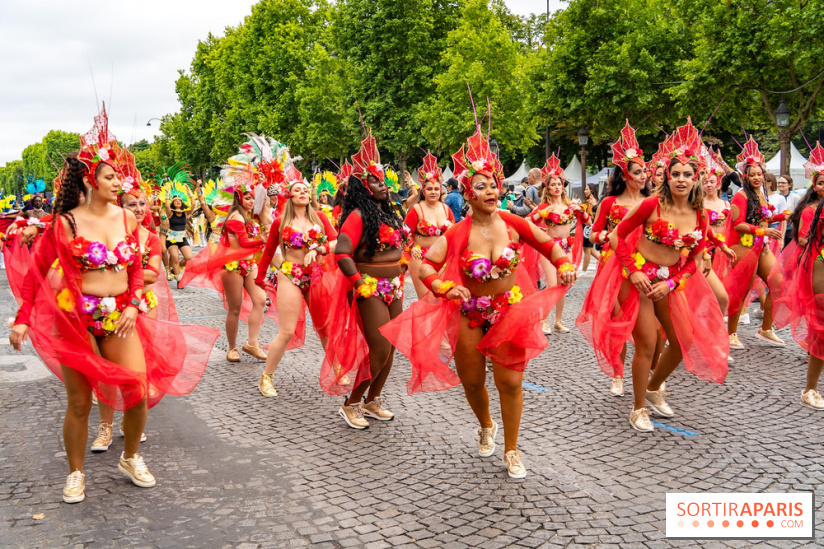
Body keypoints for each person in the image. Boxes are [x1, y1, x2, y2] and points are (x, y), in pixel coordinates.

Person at [8, 106, 216, 503]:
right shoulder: (64, 222)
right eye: (110, 175)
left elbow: (137, 269)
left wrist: (135, 306)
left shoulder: (127, 218)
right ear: (90, 180)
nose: (118, 182)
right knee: (80, 401)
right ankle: (75, 473)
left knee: (137, 389)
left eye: (118, 175)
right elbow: (36, 274)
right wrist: (21, 320)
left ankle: (131, 456)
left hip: (120, 314)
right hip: (74, 320)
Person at [381, 126, 576, 478]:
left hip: (509, 311)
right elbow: (426, 266)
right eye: (480, 185)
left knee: (511, 383)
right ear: (468, 194)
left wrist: (563, 264)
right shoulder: (456, 232)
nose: (490, 190)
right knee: (472, 381)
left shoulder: (514, 223)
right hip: (468, 314)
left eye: (493, 183)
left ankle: (512, 449)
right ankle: (486, 424)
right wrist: (443, 288)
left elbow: (550, 245)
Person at [586, 122, 729, 432]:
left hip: (668, 282)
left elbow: (693, 258)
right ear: (667, 176)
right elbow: (617, 237)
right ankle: (638, 408)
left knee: (682, 341)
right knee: (647, 343)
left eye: (687, 175)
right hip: (634, 279)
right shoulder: (651, 204)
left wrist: (672, 282)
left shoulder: (700, 214)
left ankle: (653, 388)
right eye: (675, 173)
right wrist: (634, 271)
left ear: (697, 179)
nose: (680, 179)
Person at [321, 129, 409, 429]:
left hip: (393, 288)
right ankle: (351, 403)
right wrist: (360, 283)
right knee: (380, 347)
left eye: (383, 178)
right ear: (362, 186)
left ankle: (374, 399)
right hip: (368, 289)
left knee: (393, 345)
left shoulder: (388, 213)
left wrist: (403, 266)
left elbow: (400, 247)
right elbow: (343, 254)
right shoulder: (358, 215)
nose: (382, 183)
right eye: (375, 180)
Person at [178, 135, 276, 363]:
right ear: (239, 199)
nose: (252, 201)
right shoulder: (235, 218)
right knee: (234, 308)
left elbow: (266, 207)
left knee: (260, 300)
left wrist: (263, 184)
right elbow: (242, 243)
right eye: (248, 198)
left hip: (248, 264)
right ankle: (232, 347)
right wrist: (262, 240)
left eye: (253, 198)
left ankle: (252, 343)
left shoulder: (250, 217)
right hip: (232, 266)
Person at [577, 121, 650, 398]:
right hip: (614, 266)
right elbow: (592, 234)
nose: (644, 175)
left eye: (645, 171)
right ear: (626, 175)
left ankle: (648, 369)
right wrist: (608, 235)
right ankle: (618, 373)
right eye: (638, 171)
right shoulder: (609, 203)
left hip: (646, 264)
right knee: (620, 319)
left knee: (648, 322)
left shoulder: (651, 201)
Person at [254, 168, 338, 397]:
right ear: (289, 196)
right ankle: (266, 378)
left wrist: (319, 248)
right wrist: (260, 278)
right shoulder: (280, 222)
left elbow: (335, 242)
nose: (302, 192)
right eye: (297, 190)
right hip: (289, 274)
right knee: (287, 330)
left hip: (316, 274)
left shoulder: (320, 218)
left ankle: (337, 368)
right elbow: (269, 251)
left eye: (305, 189)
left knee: (324, 327)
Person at [713, 138, 790, 349]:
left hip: (761, 246)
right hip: (744, 247)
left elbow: (761, 218)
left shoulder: (760, 194)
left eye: (759, 174)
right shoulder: (740, 195)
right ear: (744, 176)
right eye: (752, 174)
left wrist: (780, 217)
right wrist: (763, 230)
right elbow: (738, 225)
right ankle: (731, 333)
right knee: (741, 290)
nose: (756, 177)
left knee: (777, 283)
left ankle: (766, 329)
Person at [771, 143, 824, 410]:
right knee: (822, 332)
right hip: (817, 269)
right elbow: (803, 240)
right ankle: (810, 389)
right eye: (822, 182)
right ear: (815, 186)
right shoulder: (810, 211)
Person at [526, 154, 590, 334]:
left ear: (563, 187)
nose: (556, 187)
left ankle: (558, 321)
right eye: (553, 184)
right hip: (549, 247)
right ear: (548, 187)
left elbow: (588, 223)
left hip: (566, 247)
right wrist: (542, 215)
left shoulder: (571, 205)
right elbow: (527, 221)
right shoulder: (544, 206)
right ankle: (544, 319)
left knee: (564, 283)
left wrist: (582, 212)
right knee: (552, 283)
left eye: (559, 184)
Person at [405, 152, 454, 299]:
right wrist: (413, 247)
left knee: (444, 299)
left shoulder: (446, 209)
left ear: (441, 191)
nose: (433, 192)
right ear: (424, 191)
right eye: (429, 189)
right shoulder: (416, 209)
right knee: (428, 300)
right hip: (421, 258)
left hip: (444, 259)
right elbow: (405, 232)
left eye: (436, 189)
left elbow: (455, 232)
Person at [581, 183, 601, 272]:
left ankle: (584, 270)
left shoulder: (592, 202)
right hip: (587, 226)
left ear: (591, 191)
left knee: (587, 249)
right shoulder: (590, 201)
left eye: (587, 189)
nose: (585, 191)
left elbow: (592, 215)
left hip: (588, 227)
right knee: (589, 249)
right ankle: (605, 261)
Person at [778, 174, 801, 246]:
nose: (780, 184)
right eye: (779, 183)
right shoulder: (776, 197)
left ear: (789, 185)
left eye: (783, 183)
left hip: (790, 229)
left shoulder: (795, 197)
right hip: (778, 229)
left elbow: (799, 212)